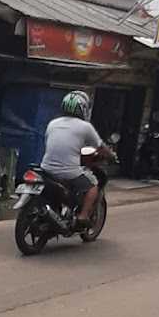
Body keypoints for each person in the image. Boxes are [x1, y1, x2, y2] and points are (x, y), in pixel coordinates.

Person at [41, 90, 115, 229]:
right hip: (68, 172)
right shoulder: (85, 127)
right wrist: (111, 156)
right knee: (93, 185)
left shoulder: (53, 123)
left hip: (46, 169)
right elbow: (100, 147)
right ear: (84, 108)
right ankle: (83, 216)